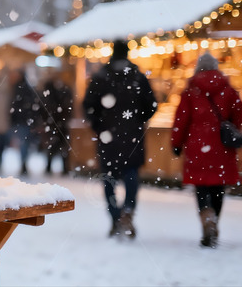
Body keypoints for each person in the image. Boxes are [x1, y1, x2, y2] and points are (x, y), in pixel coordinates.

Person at [83, 40, 157, 239]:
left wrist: (99, 126)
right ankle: (128, 212)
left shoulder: (100, 77)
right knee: (131, 175)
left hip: (108, 137)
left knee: (109, 179)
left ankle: (115, 217)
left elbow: (88, 107)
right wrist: (137, 120)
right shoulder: (138, 77)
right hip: (132, 137)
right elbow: (151, 105)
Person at [171, 53, 242, 248]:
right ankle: (214, 219)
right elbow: (238, 116)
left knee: (201, 187)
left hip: (197, 147)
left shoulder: (191, 92)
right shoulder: (228, 90)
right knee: (218, 187)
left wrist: (176, 143)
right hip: (221, 147)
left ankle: (206, 215)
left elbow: (181, 120)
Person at [40, 73, 74, 175]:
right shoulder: (62, 91)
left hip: (56, 123)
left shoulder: (52, 92)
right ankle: (61, 167)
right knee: (60, 145)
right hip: (58, 122)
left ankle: (53, 166)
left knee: (56, 145)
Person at [9, 69, 40, 175]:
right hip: (25, 120)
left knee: (23, 143)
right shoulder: (27, 89)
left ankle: (23, 162)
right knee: (25, 143)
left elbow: (16, 105)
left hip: (22, 120)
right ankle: (24, 162)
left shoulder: (17, 89)